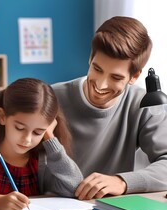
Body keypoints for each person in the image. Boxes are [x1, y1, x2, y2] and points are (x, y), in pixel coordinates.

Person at [52, 16, 167, 200]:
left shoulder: (144, 103)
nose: (101, 84)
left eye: (116, 77)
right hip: (53, 207)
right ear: (90, 58)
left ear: (134, 76)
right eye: (97, 69)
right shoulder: (52, 97)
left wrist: (122, 181)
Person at [0, 78, 83, 210]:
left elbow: (74, 188)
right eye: (19, 128)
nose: (27, 139)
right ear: (2, 116)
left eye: (37, 132)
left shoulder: (42, 160)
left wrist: (50, 138)